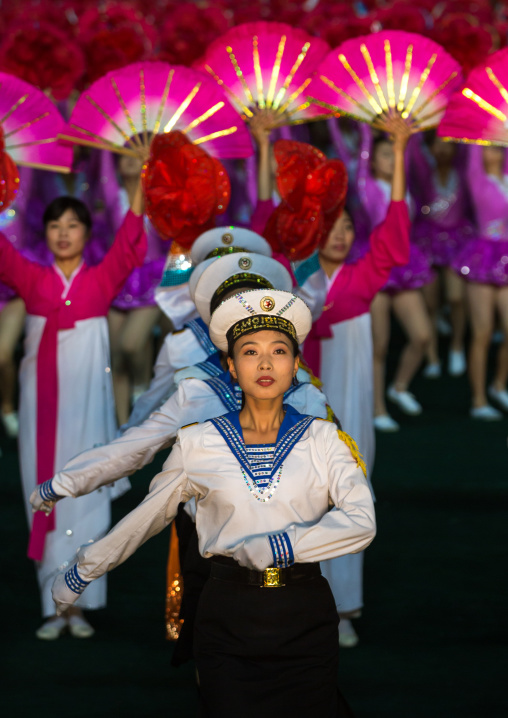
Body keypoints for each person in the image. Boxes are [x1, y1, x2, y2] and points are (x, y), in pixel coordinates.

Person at [50, 288, 376, 717]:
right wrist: (84, 568)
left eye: (278, 351)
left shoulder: (323, 439)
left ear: (296, 365)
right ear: (230, 367)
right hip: (227, 616)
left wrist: (283, 547)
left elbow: (362, 520)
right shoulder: (198, 441)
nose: (264, 363)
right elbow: (148, 516)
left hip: (304, 614)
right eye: (249, 352)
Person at [0, 178, 146, 639]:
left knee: (86, 500)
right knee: (43, 496)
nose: (64, 233)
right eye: (55, 225)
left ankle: (78, 606)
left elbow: (130, 245)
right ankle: (52, 606)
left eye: (73, 224)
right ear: (44, 234)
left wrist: (140, 184)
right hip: (41, 411)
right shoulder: (33, 279)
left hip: (87, 413)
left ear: (87, 233)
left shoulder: (100, 280)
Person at [295, 111, 411, 645]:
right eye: (331, 229)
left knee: (349, 495)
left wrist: (401, 151)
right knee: (303, 498)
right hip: (306, 409)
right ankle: (302, 605)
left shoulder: (364, 278)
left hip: (350, 409)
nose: (340, 237)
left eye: (347, 229)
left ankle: (341, 610)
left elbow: (393, 232)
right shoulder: (301, 284)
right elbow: (275, 221)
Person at [357, 123, 434, 431]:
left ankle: (398, 387)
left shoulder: (405, 186)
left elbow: (411, 157)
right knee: (379, 344)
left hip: (403, 266)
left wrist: (407, 134)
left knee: (423, 336)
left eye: (394, 155)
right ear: (371, 161)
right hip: (374, 265)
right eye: (384, 155)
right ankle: (377, 408)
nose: (391, 160)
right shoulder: (366, 185)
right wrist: (364, 124)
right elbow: (364, 148)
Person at [107, 154, 167, 424]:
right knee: (116, 358)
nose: (131, 159)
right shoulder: (110, 196)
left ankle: (144, 386)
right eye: (125, 154)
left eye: (140, 156)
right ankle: (122, 425)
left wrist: (152, 164)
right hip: (117, 281)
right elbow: (102, 160)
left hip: (151, 282)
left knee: (131, 345)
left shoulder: (159, 200)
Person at [409, 133, 473, 378]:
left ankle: (457, 346)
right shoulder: (425, 172)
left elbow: (471, 150)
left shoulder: (463, 169)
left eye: (448, 145)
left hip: (458, 238)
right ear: (431, 149)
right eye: (438, 145)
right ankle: (433, 356)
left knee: (456, 298)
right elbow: (413, 150)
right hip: (427, 240)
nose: (443, 151)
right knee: (430, 303)